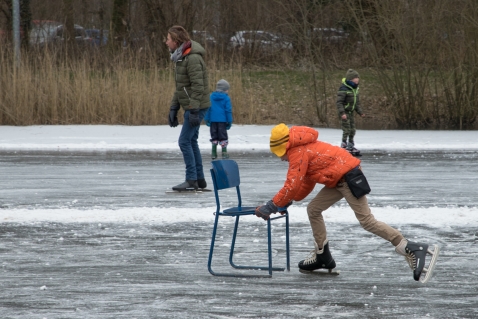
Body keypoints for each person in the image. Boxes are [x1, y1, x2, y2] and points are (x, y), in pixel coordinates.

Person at [255, 124, 440, 283]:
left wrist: (272, 205)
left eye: (280, 154)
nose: (281, 158)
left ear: (285, 146)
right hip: (338, 180)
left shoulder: (298, 151)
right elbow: (304, 183)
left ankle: (411, 247)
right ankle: (322, 256)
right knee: (314, 209)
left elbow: (292, 183)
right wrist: (286, 202)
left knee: (366, 221)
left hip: (348, 178)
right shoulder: (304, 147)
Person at [166, 25, 210, 191]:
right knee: (191, 141)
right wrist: (173, 108)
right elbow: (181, 87)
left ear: (176, 41)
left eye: (168, 39)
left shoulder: (191, 59)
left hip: (197, 106)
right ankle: (199, 179)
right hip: (193, 106)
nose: (166, 42)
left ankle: (191, 179)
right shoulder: (181, 58)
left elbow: (198, 87)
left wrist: (194, 110)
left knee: (184, 141)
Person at [336, 69, 365, 153]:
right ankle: (344, 144)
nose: (357, 80)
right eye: (356, 78)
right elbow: (339, 102)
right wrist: (342, 113)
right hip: (344, 112)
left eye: (358, 78)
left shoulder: (355, 89)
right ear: (351, 79)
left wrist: (360, 112)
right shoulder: (343, 88)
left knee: (353, 130)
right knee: (347, 129)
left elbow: (356, 103)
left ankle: (351, 145)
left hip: (350, 112)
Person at [204, 79, 233, 159]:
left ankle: (214, 153)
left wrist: (207, 119)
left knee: (214, 136)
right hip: (222, 121)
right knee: (223, 136)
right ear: (224, 90)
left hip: (213, 121)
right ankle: (224, 153)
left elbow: (208, 108)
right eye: (227, 89)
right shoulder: (226, 98)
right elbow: (228, 110)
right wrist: (229, 121)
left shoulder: (211, 96)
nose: (228, 91)